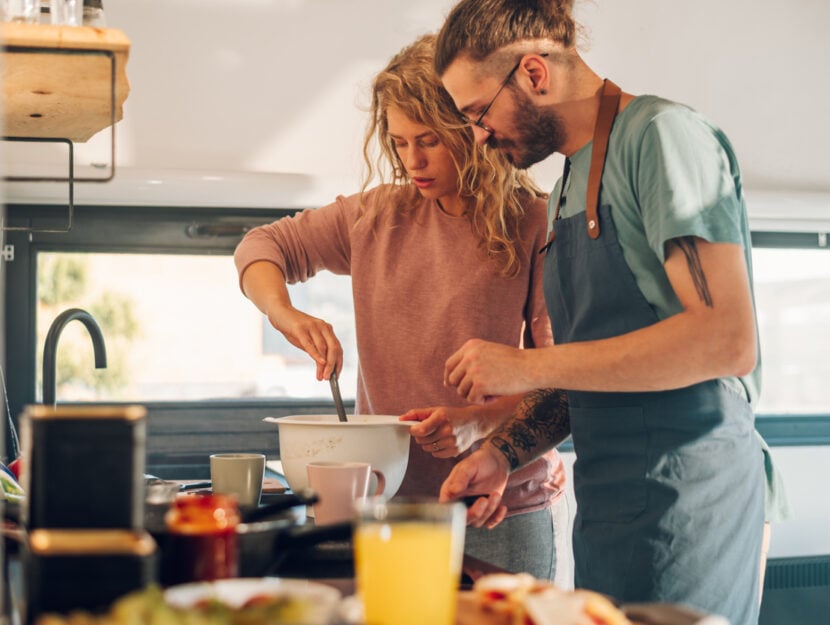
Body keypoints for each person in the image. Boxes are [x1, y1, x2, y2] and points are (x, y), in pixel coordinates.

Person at [431, 1, 770, 623]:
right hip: (612, 508)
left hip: (687, 503)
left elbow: (726, 339)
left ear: (534, 73)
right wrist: (503, 451)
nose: (478, 135)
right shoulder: (568, 182)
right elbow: (599, 367)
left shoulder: (662, 136)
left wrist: (525, 366)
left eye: (478, 113)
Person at [233, 34, 571, 583]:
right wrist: (285, 314)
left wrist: (476, 425)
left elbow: (563, 379)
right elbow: (261, 247)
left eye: (430, 141)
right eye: (399, 143)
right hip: (387, 504)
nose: (412, 161)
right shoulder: (375, 218)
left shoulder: (534, 223)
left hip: (502, 505)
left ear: (470, 125)